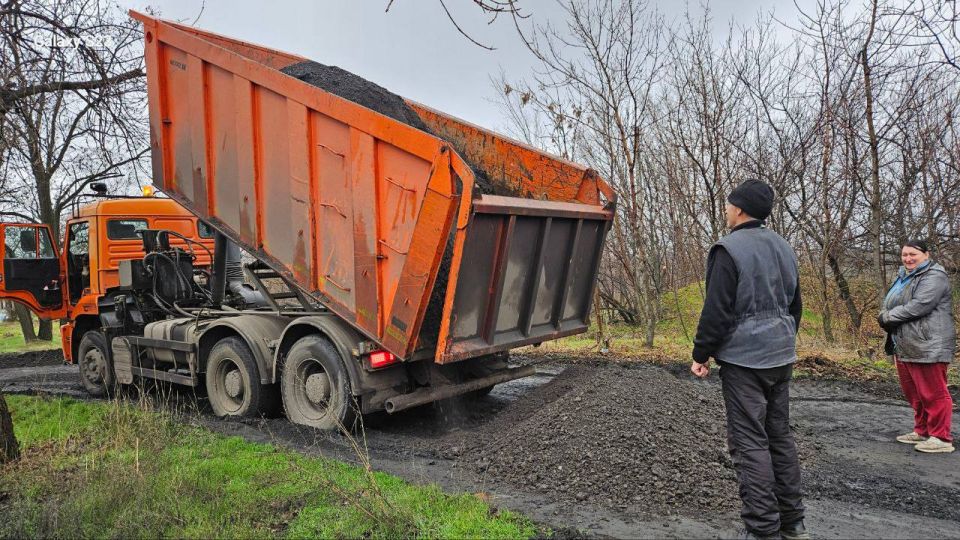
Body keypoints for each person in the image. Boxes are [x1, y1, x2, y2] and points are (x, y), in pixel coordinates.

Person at [690, 179, 808, 540]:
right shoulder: (783, 245)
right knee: (779, 438)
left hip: (745, 361)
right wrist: (781, 339)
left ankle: (762, 530)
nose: (726, 210)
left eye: (729, 204)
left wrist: (701, 353)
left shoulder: (728, 249)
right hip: (780, 356)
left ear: (739, 209)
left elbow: (717, 310)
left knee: (749, 442)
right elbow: (795, 305)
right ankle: (793, 523)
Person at [878, 240, 955, 453]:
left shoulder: (934, 276)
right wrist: (886, 313)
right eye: (905, 255)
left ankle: (941, 437)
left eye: (913, 254)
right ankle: (922, 430)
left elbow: (919, 306)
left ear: (926, 255)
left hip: (927, 343)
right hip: (905, 342)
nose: (908, 258)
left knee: (933, 392)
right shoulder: (905, 276)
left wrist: (887, 317)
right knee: (915, 392)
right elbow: (892, 301)